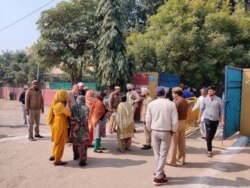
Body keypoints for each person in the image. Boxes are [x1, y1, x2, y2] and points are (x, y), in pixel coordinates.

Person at [146, 86, 178, 186]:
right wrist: (173, 130)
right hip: (166, 131)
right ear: (164, 93)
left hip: (155, 130)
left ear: (156, 94)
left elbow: (147, 120)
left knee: (157, 153)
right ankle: (158, 176)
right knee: (163, 154)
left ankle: (160, 172)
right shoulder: (171, 104)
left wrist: (149, 128)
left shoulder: (151, 104)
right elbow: (175, 120)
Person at [198, 86, 224, 157]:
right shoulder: (205, 99)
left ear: (214, 91)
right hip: (207, 118)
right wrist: (199, 118)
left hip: (215, 120)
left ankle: (208, 139)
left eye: (211, 91)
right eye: (208, 91)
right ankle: (209, 151)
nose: (209, 92)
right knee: (209, 136)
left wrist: (222, 120)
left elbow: (222, 110)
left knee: (211, 135)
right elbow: (201, 109)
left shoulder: (218, 99)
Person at [47, 90, 71, 166]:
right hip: (60, 125)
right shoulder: (61, 105)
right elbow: (69, 113)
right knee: (60, 143)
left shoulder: (55, 103)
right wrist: (68, 105)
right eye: (65, 95)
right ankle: (57, 160)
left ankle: (54, 155)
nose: (67, 97)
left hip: (56, 124)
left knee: (56, 142)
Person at [167, 87, 188, 166]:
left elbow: (173, 115)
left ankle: (171, 160)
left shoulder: (176, 102)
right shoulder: (185, 101)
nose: (172, 95)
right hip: (183, 122)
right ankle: (181, 159)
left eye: (173, 93)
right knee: (182, 142)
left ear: (176, 94)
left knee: (173, 143)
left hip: (176, 123)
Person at [70, 96, 89, 166]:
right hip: (84, 129)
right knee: (83, 144)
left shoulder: (73, 107)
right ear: (84, 100)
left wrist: (74, 126)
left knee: (75, 143)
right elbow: (86, 119)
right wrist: (80, 124)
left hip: (75, 128)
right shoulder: (86, 107)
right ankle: (82, 160)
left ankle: (76, 155)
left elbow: (71, 118)